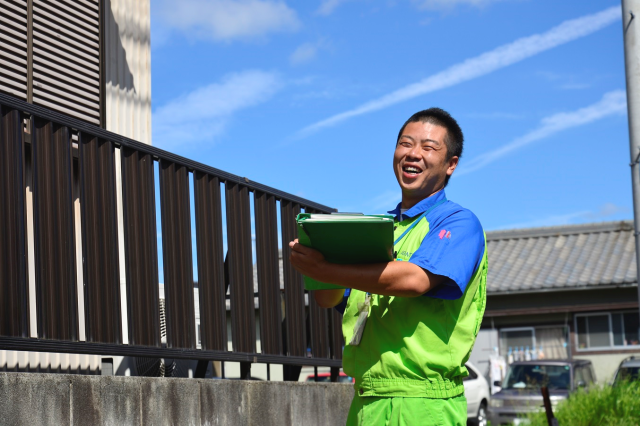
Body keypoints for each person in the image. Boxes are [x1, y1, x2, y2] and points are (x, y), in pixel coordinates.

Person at [289, 108, 487, 425]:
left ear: (451, 164)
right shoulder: (377, 229)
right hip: (366, 400)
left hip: (422, 403)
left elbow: (414, 281)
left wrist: (327, 269)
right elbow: (329, 299)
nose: (413, 154)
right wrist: (315, 259)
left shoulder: (457, 222)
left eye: (428, 147)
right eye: (405, 144)